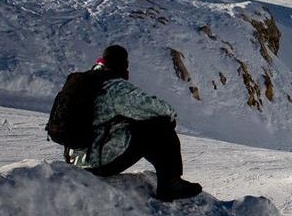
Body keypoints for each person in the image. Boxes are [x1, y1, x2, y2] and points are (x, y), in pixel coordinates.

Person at [67, 45, 202, 201]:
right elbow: (158, 108)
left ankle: (169, 180)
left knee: (137, 124)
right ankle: (170, 183)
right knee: (160, 125)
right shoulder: (115, 87)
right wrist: (169, 118)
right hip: (96, 162)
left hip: (76, 158)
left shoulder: (85, 81)